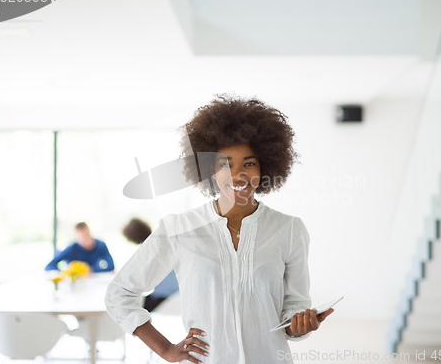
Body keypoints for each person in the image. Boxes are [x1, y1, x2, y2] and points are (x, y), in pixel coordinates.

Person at [105, 94, 334, 364]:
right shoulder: (179, 228)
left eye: (249, 163)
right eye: (225, 164)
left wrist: (299, 325)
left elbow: (293, 307)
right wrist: (165, 349)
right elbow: (120, 294)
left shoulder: (290, 229)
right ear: (209, 170)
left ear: (265, 167)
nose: (238, 174)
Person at [122, 218, 179, 311]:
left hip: (164, 299)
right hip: (177, 295)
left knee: (130, 308)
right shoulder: (163, 242)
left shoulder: (145, 252)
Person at [45, 222, 115, 272]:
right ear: (77, 238)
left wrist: (92, 270)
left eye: (88, 235)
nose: (87, 240)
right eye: (83, 237)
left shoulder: (100, 245)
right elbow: (49, 266)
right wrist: (68, 272)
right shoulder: (71, 248)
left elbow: (111, 266)